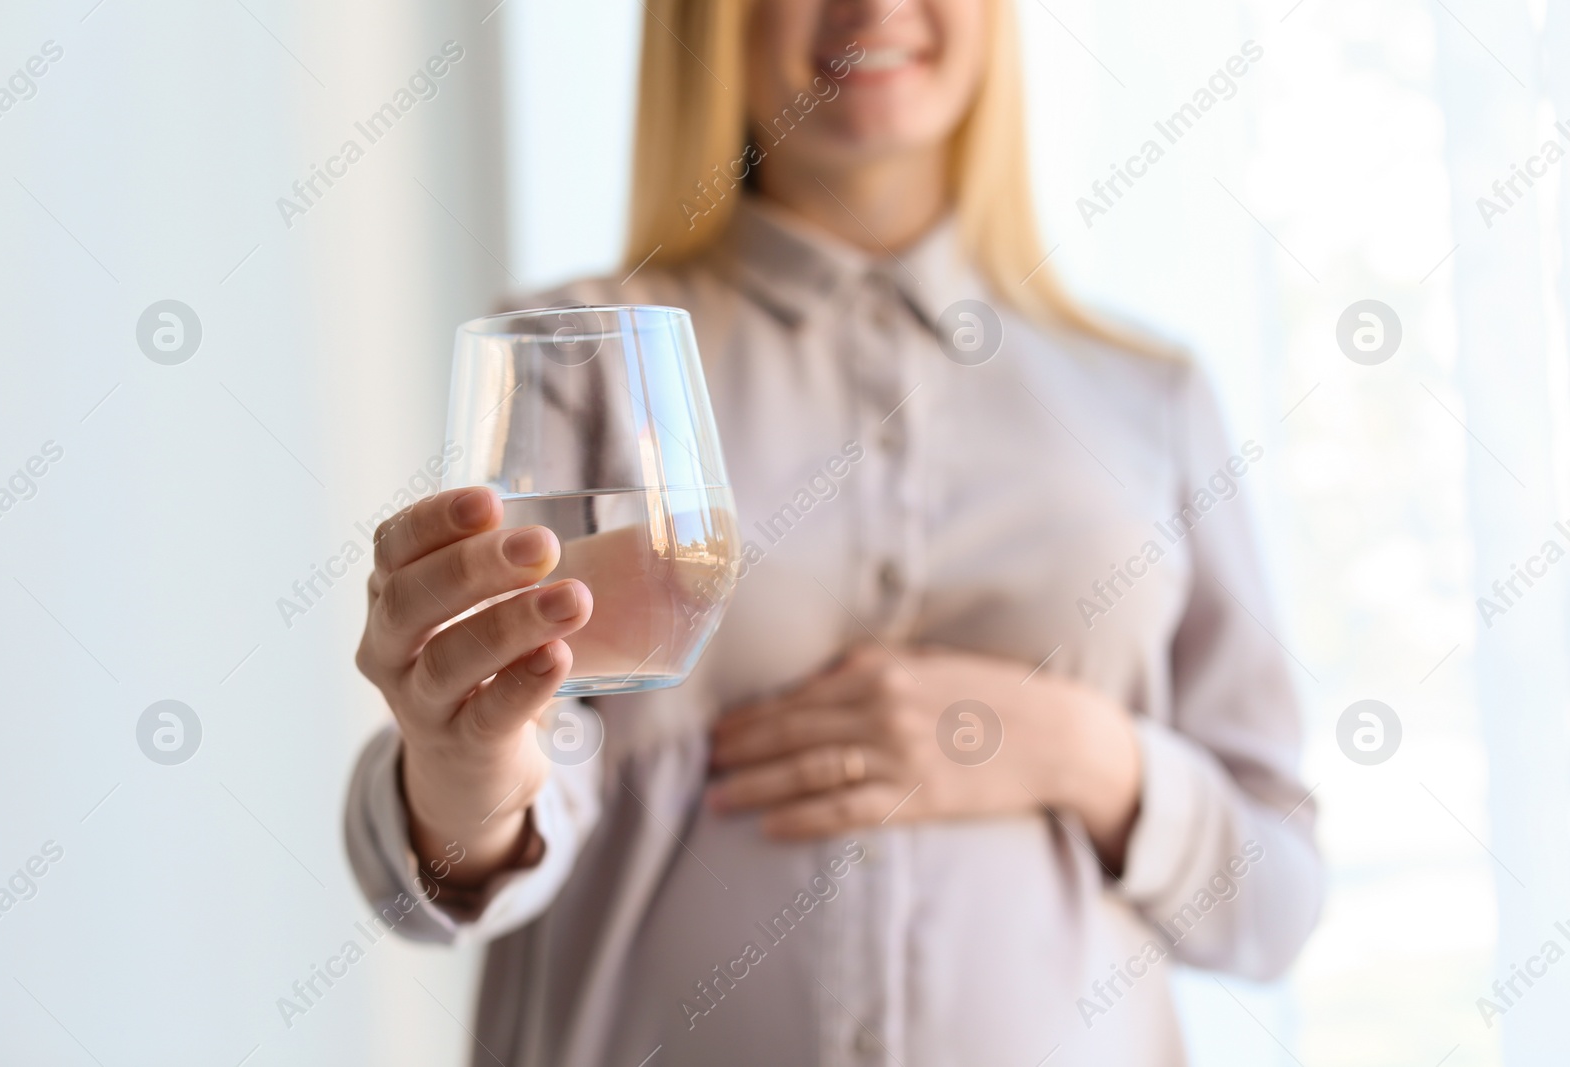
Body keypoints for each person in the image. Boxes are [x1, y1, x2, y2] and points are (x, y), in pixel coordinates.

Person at [345, 0, 1323, 1063]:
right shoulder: (577, 358)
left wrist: (1091, 756)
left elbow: (1275, 904)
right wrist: (459, 770)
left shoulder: (1152, 397)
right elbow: (475, 844)